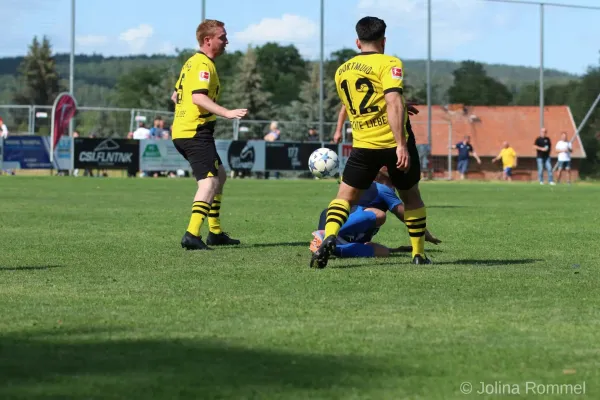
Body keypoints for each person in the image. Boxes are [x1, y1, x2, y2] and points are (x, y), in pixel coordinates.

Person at [311, 16, 431, 268]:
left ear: (358, 41)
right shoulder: (390, 62)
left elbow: (360, 103)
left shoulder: (342, 70)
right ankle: (418, 254)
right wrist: (400, 143)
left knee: (344, 198)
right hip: (392, 144)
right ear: (383, 41)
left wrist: (399, 106)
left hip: (363, 146)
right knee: (411, 198)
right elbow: (391, 101)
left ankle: (330, 235)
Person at [171, 19, 247, 250]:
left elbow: (176, 96)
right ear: (208, 40)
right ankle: (192, 234)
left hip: (187, 130)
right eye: (222, 37)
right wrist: (227, 112)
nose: (226, 41)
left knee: (219, 176)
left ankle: (215, 232)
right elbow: (197, 97)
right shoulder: (203, 65)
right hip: (195, 132)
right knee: (209, 181)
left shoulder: (192, 63)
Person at [310, 168, 441, 258]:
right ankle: (325, 236)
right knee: (379, 215)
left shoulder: (359, 184)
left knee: (383, 252)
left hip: (333, 222)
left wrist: (398, 249)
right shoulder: (383, 189)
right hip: (337, 228)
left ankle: (329, 247)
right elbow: (406, 215)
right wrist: (424, 234)